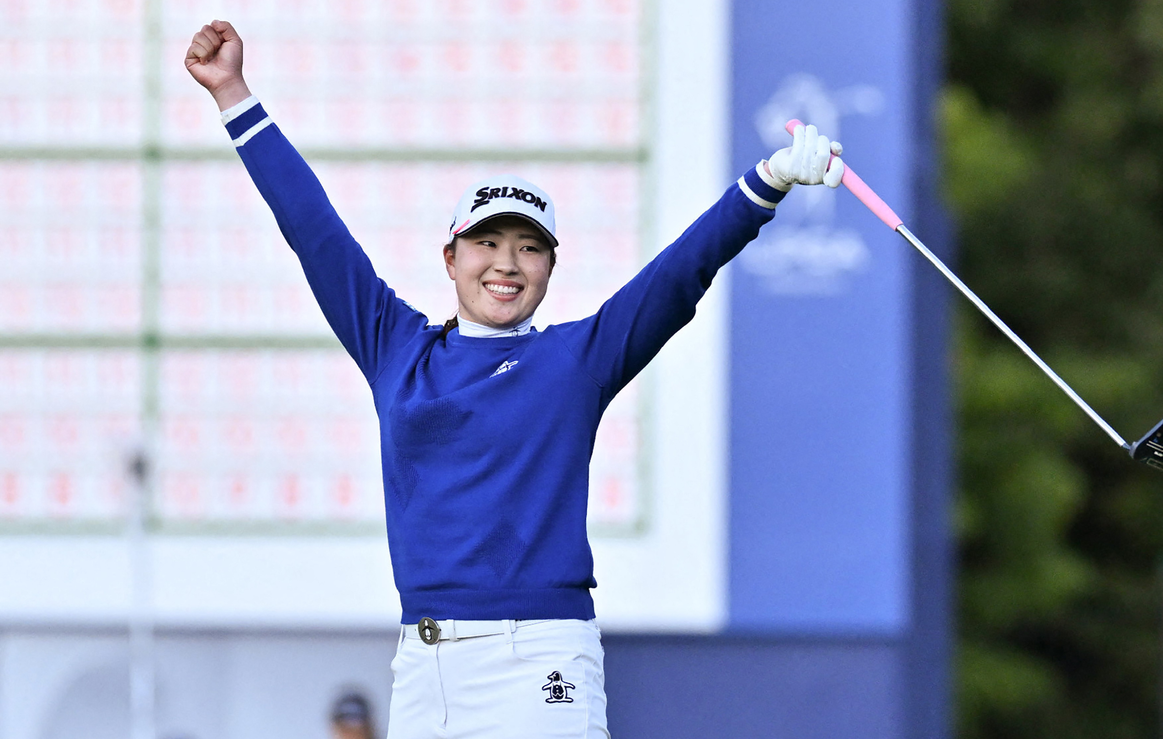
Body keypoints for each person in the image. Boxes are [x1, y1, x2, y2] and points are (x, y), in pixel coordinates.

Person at [184, 19, 844, 739]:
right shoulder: (396, 346)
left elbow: (678, 274)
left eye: (529, 248)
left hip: (541, 659)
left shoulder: (576, 359)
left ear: (549, 270)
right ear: (451, 257)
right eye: (488, 242)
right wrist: (233, 93)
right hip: (426, 663)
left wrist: (768, 182)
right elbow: (314, 230)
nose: (506, 262)